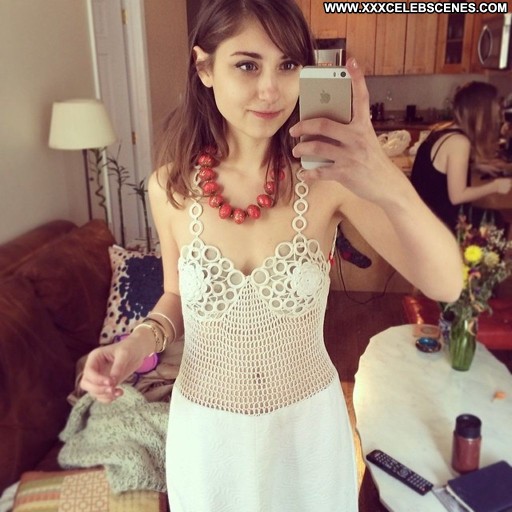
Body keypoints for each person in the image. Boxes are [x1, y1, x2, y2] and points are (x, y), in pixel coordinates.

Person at [80, 1, 463, 510]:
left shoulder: (329, 182)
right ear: (204, 68)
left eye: (287, 65)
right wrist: (135, 346)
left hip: (305, 432)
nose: (271, 89)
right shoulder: (169, 188)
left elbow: (446, 283)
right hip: (206, 435)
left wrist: (383, 175)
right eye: (247, 64)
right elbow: (175, 296)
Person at [410, 81, 512, 232]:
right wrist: (495, 186)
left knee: (493, 216)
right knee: (496, 219)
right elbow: (457, 196)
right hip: (439, 223)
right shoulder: (459, 142)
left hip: (423, 215)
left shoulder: (442, 131)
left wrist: (477, 166)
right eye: (495, 114)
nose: (497, 119)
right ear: (482, 114)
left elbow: (439, 171)